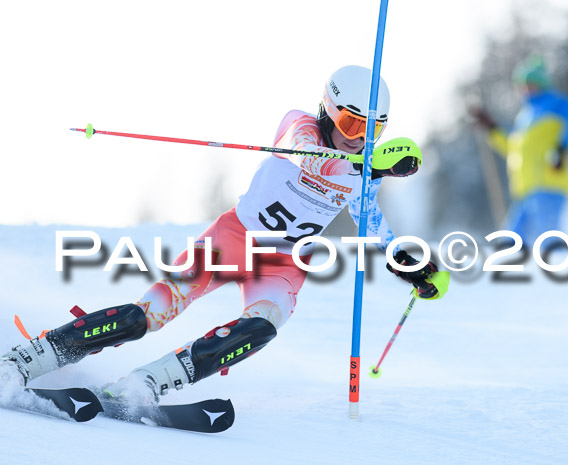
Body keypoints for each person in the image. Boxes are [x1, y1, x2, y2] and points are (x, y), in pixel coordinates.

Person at [1, 65, 445, 404]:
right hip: (232, 239)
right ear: (328, 110)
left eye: (373, 130)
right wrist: (371, 163)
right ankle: (33, 357)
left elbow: (371, 222)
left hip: (285, 263)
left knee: (261, 327)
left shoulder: (365, 167)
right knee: (147, 316)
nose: (359, 138)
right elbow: (311, 158)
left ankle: (146, 384)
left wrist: (412, 266)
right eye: (352, 125)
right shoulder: (301, 127)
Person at [470, 55, 568, 250]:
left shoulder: (556, 104)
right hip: (526, 188)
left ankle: (561, 269)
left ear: (542, 83)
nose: (526, 89)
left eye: (531, 83)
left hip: (549, 182)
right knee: (512, 237)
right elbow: (513, 148)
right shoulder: (525, 116)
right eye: (522, 85)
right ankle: (509, 268)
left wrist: (562, 148)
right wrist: (492, 127)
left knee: (548, 235)